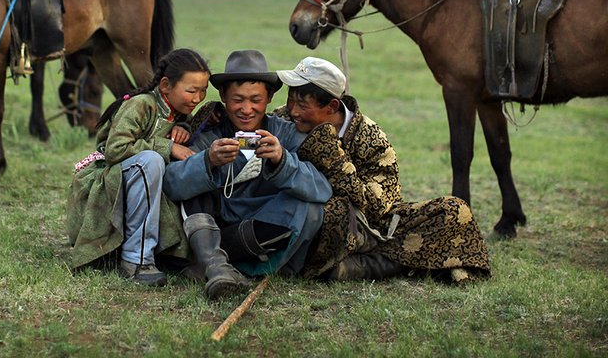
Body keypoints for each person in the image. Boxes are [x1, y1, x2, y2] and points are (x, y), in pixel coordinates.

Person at [274, 56, 491, 282]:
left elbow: (377, 207)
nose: (293, 111)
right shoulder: (284, 118)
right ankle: (388, 265)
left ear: (332, 106)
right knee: (326, 213)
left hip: (373, 227)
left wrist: (332, 157)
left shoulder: (371, 137)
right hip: (319, 220)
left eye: (302, 105)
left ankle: (363, 266)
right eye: (290, 100)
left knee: (454, 210)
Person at [163, 50, 333, 300]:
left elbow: (322, 189)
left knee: (310, 209)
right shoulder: (211, 133)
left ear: (270, 97)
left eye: (256, 99)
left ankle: (234, 266)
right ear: (222, 96)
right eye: (237, 100)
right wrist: (207, 161)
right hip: (216, 228)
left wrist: (282, 160)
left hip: (262, 225)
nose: (246, 109)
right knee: (194, 189)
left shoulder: (285, 134)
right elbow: (171, 183)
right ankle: (215, 265)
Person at [65, 48, 211, 287]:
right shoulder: (142, 105)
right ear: (165, 86)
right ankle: (136, 260)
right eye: (191, 91)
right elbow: (115, 149)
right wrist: (167, 147)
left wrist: (183, 126)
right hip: (106, 178)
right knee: (151, 161)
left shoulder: (175, 111)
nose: (197, 98)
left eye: (203, 91)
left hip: (131, 178)